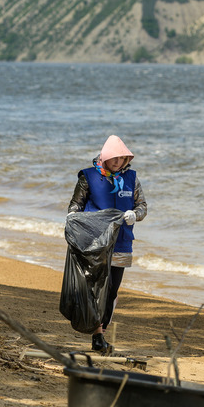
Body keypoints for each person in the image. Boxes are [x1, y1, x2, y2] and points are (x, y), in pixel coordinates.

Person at [66, 135, 147, 353]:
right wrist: (78, 225)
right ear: (106, 157)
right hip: (94, 244)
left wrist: (134, 215)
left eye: (122, 159)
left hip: (122, 243)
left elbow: (142, 206)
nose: (118, 162)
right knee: (94, 289)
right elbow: (74, 207)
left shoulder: (132, 179)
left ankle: (102, 329)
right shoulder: (88, 177)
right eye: (115, 158)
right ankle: (97, 335)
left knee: (111, 291)